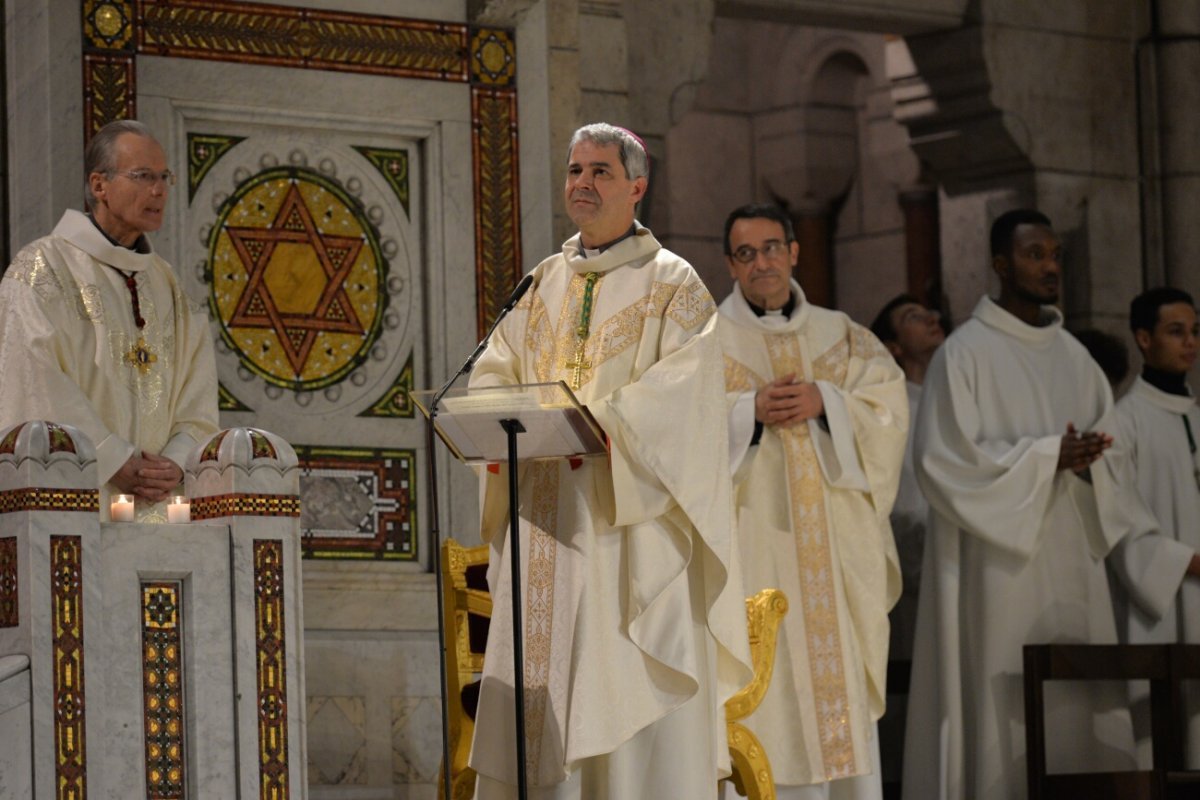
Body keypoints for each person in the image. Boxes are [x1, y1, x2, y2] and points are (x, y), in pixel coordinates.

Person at [466, 123, 753, 799]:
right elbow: (491, 374)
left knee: (615, 689)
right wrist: (510, 426)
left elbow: (686, 401)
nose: (583, 184)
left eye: (600, 171)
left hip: (624, 530)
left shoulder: (672, 284)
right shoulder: (541, 283)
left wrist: (598, 425)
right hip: (544, 521)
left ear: (637, 187)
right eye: (574, 171)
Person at [903, 208, 1147, 800]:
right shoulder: (964, 354)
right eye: (1035, 255)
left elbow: (1115, 457)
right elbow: (944, 463)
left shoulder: (1076, 359)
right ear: (1000, 264)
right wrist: (1046, 458)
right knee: (998, 695)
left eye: (1056, 255)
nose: (1049, 267)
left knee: (1077, 710)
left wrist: (1091, 462)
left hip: (1070, 559)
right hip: (996, 567)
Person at [718, 203, 907, 800]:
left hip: (832, 554)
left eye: (772, 248)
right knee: (761, 702)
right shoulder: (702, 344)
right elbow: (672, 432)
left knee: (837, 700)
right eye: (746, 254)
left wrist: (829, 402)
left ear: (795, 252)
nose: (762, 264)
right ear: (730, 264)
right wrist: (746, 412)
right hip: (753, 548)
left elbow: (890, 410)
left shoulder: (843, 335)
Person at [0, 119, 218, 521]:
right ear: (99, 185)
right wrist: (112, 458)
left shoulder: (169, 287)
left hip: (160, 509)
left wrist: (173, 461)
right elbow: (35, 381)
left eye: (163, 177)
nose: (158, 190)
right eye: (142, 176)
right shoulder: (42, 270)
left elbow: (198, 396)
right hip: (76, 502)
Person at [1110, 287, 1200, 767]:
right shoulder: (1125, 423)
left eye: (1195, 331)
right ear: (1143, 338)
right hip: (1164, 603)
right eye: (1175, 331)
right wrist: (1186, 562)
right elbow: (1118, 520)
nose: (1190, 343)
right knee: (1166, 749)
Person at [867, 294, 944, 792]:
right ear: (893, 346)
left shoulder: (951, 393)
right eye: (915, 317)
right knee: (906, 685)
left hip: (947, 551)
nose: (933, 319)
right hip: (908, 554)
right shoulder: (890, 402)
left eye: (931, 312)